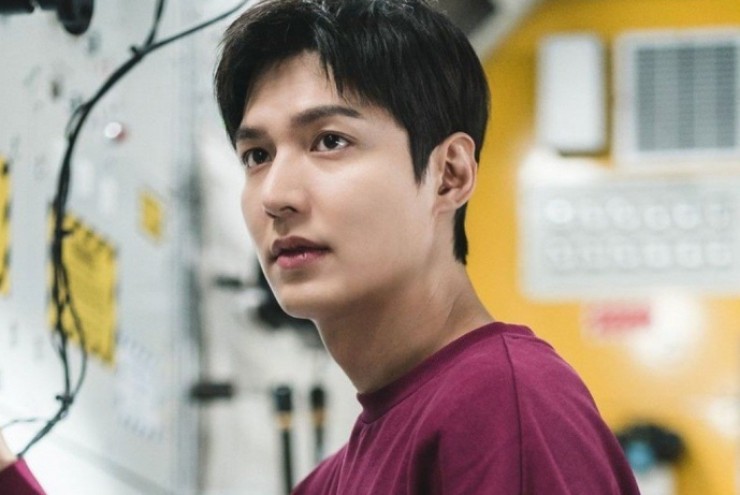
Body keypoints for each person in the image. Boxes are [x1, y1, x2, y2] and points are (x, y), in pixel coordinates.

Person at [1, 0, 640, 493]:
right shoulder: (337, 476)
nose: (276, 195)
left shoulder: (503, 405)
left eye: (330, 141)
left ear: (449, 174)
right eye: (256, 155)